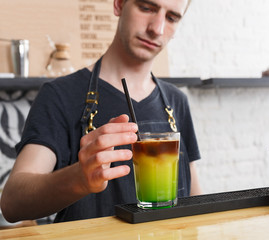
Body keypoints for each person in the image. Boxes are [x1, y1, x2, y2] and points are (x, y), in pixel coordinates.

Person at [1, 0, 201, 223]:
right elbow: (12, 202)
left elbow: (194, 199)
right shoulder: (59, 95)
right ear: (119, 5)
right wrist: (79, 178)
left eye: (171, 18)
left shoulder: (177, 101)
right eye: (146, 8)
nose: (157, 28)